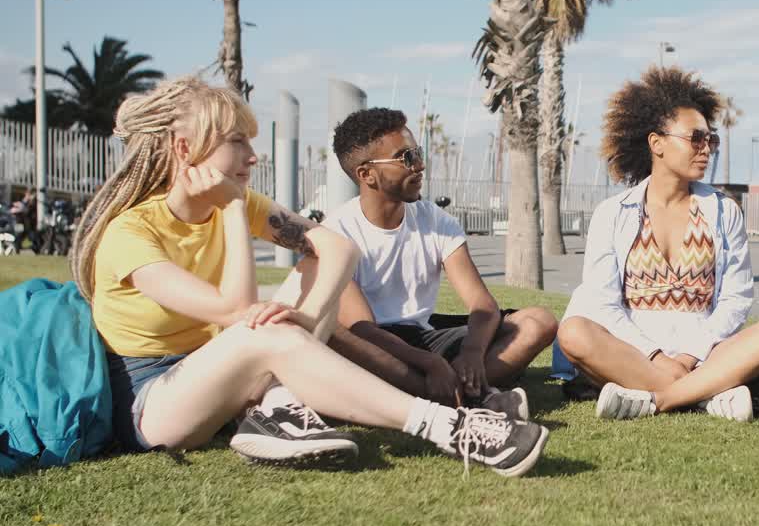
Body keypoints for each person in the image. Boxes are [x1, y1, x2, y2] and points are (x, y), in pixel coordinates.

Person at [74, 77, 548, 476]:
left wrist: (304, 326)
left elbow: (339, 249)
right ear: (185, 149)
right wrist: (234, 211)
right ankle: (452, 428)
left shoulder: (240, 202)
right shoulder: (129, 233)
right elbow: (236, 311)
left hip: (226, 375)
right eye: (237, 142)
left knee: (310, 275)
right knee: (259, 331)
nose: (252, 156)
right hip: (154, 404)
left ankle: (276, 408)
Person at [557, 66, 759, 423]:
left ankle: (662, 398)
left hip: (705, 353)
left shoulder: (724, 211)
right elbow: (603, 302)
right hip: (633, 353)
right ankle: (707, 395)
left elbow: (736, 299)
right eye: (696, 138)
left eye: (711, 140)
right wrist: (654, 356)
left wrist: (688, 356)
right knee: (574, 332)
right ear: (657, 144)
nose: (706, 148)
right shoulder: (613, 213)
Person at [299, 107, 558, 418]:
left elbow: (482, 304)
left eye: (418, 153)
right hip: (375, 347)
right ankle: (466, 398)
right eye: (405, 158)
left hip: (425, 335)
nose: (420, 165)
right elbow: (363, 329)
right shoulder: (336, 233)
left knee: (538, 322)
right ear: (366, 174)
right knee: (338, 338)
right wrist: (431, 363)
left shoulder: (435, 221)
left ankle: (445, 396)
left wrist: (472, 352)